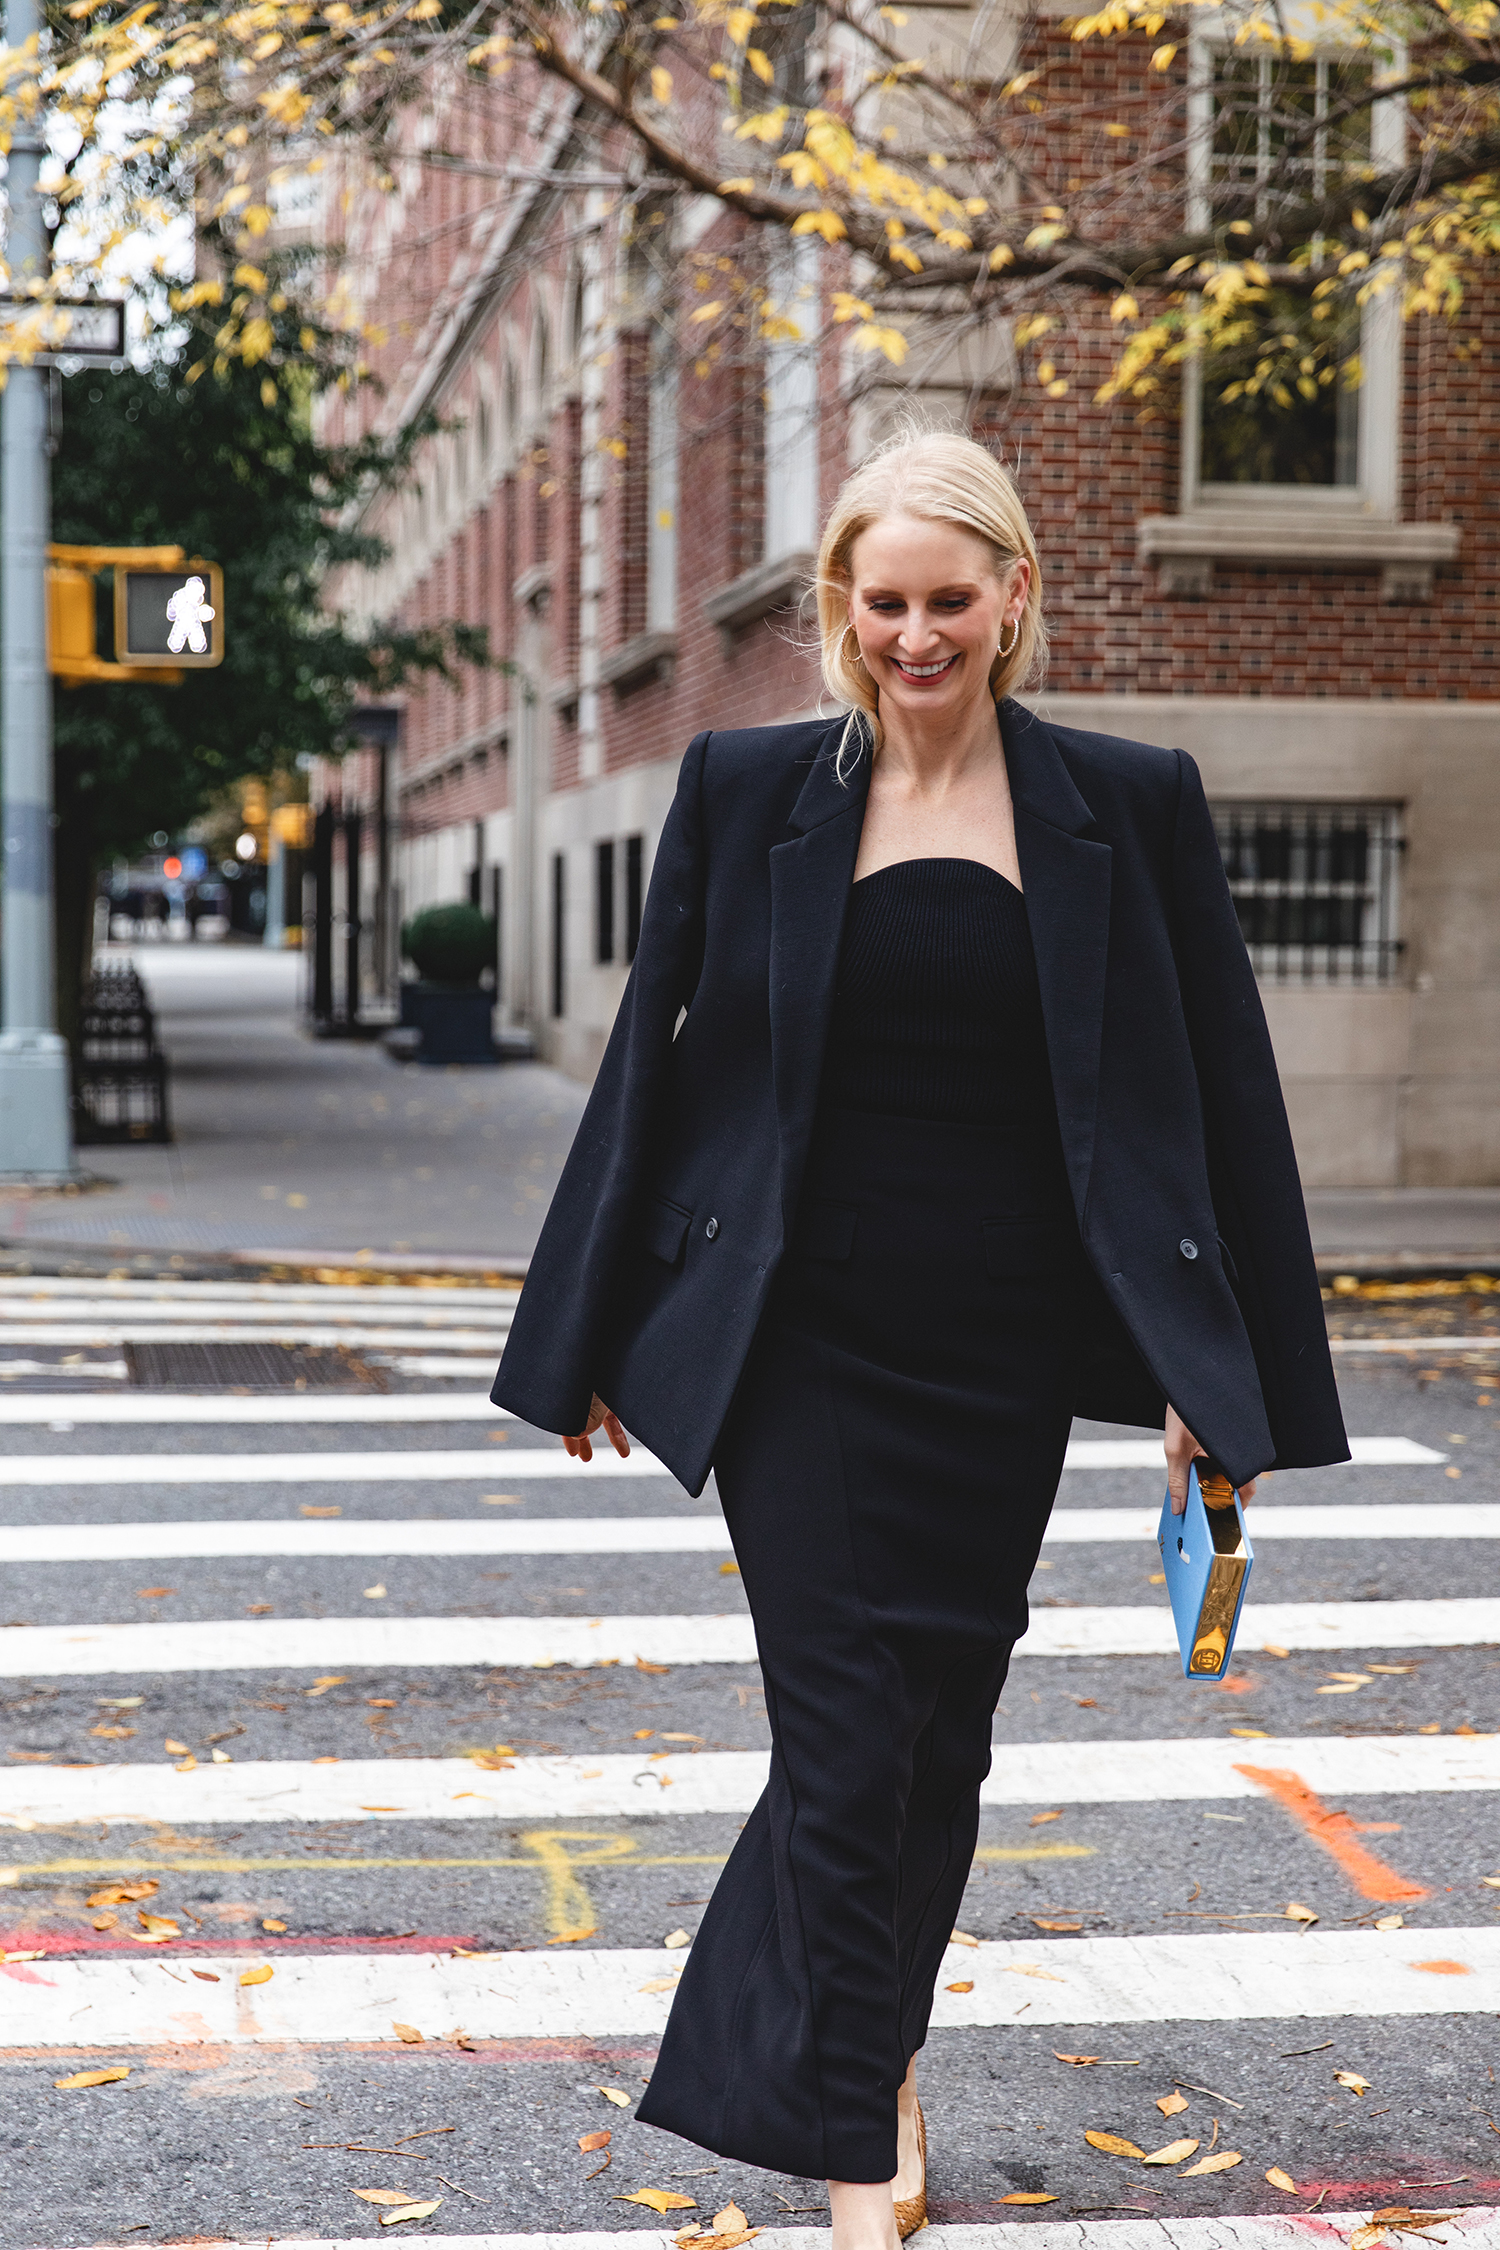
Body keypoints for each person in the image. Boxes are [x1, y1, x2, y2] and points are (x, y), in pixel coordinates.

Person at [491, 429, 1347, 2250]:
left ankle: (865, 2050)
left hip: (1006, 1344)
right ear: (839, 609)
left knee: (937, 1729)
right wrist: (587, 1333)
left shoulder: (1130, 800)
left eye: (949, 600)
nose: (914, 634)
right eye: (881, 603)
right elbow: (657, 1072)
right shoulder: (744, 792)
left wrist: (1229, 1384)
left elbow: (1219, 1106)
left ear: (1014, 597)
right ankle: (852, 2114)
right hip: (803, 1334)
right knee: (845, 1718)